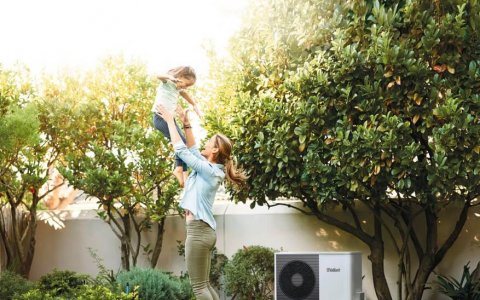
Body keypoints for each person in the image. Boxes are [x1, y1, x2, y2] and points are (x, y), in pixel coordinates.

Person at [156, 105, 247, 300]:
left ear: (215, 150)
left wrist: (170, 121)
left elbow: (181, 150)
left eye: (209, 142)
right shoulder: (210, 169)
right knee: (204, 285)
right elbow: (193, 149)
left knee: (198, 288)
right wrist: (186, 124)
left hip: (198, 231)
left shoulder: (211, 171)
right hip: (204, 231)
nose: (205, 143)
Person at [152, 66, 203, 187]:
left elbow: (185, 94)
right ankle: (178, 169)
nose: (185, 87)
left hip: (170, 119)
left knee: (183, 144)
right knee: (181, 143)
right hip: (160, 118)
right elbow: (158, 75)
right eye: (186, 84)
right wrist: (170, 77)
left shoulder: (178, 89)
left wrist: (195, 105)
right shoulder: (167, 82)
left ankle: (183, 172)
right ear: (180, 77)